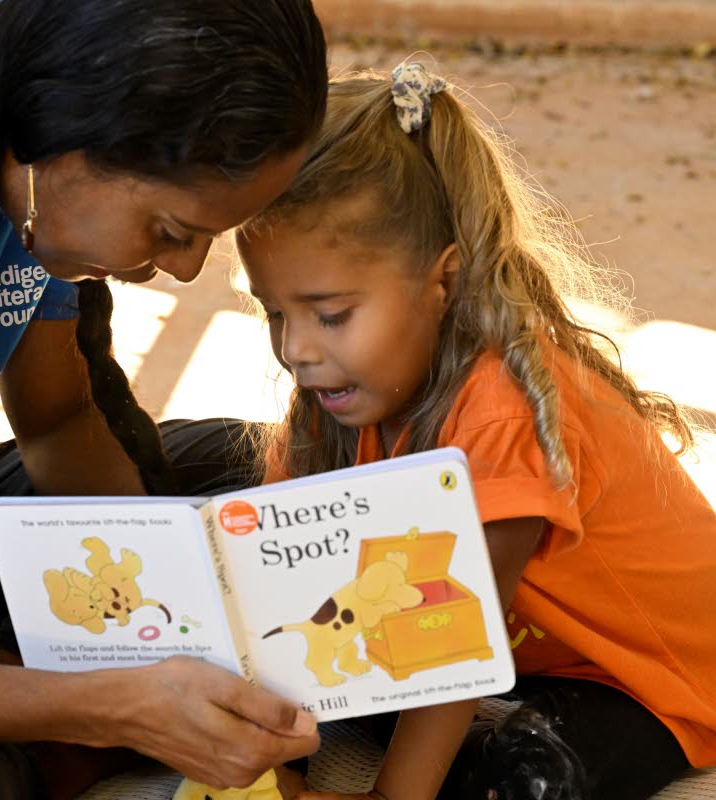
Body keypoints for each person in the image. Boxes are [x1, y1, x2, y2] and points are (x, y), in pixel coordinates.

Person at [236, 63, 716, 800]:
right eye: (275, 313)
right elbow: (284, 591)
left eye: (330, 314)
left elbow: (453, 634)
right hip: (527, 658)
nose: (295, 349)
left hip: (649, 681)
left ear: (444, 280)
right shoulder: (331, 395)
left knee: (526, 776)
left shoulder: (502, 407)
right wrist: (279, 779)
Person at [0, 0, 327, 797]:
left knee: (267, 489)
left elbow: (59, 414)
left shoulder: (15, 141)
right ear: (65, 136)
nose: (182, 271)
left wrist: (176, 632)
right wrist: (104, 707)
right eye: (172, 229)